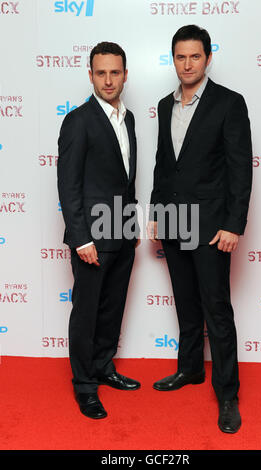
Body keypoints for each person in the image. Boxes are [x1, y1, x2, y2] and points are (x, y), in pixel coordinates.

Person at [147, 25, 252, 433]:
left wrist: (233, 224)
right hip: (173, 222)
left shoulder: (229, 103)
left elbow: (240, 169)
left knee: (217, 311)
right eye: (180, 57)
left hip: (211, 227)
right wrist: (156, 213)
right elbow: (162, 164)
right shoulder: (163, 104)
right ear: (173, 60)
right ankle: (190, 370)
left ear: (208, 57)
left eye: (194, 56)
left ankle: (227, 394)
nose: (187, 64)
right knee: (187, 306)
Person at [57, 42, 140, 420]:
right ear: (90, 75)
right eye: (101, 72)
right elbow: (68, 185)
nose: (109, 80)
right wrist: (81, 237)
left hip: (122, 231)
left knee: (112, 308)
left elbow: (125, 180)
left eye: (115, 72)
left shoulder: (130, 118)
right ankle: (85, 386)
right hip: (92, 236)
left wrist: (131, 226)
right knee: (87, 312)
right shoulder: (78, 120)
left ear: (125, 74)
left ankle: (104, 367)